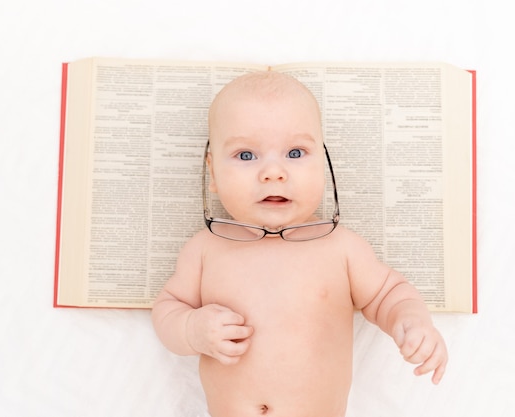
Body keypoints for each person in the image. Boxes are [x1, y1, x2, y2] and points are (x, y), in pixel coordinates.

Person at [152, 71, 448, 417]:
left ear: (322, 165)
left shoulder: (340, 248)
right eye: (246, 156)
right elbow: (168, 311)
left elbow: (388, 294)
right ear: (213, 173)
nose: (273, 173)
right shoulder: (205, 249)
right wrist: (192, 329)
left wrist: (411, 321)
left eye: (295, 152)